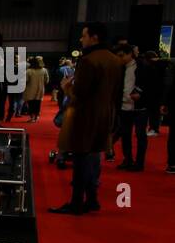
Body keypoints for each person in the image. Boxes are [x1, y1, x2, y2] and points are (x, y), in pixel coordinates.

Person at [52, 22, 120, 214]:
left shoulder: (89, 60)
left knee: (81, 159)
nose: (81, 39)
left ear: (94, 37)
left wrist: (66, 88)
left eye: (84, 35)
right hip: (104, 115)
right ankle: (91, 199)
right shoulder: (114, 60)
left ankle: (76, 203)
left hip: (84, 117)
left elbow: (79, 93)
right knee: (94, 158)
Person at [115, 47, 150, 171]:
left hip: (140, 107)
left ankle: (139, 163)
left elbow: (150, 83)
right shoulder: (120, 67)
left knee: (140, 135)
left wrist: (140, 93)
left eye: (121, 55)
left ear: (130, 54)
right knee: (125, 135)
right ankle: (128, 159)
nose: (120, 58)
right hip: (124, 106)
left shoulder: (142, 65)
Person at [22, 56, 47, 122]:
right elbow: (47, 80)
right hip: (40, 89)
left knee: (31, 104)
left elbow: (25, 80)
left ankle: (32, 117)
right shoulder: (44, 70)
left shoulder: (29, 71)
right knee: (38, 103)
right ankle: (36, 116)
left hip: (30, 90)